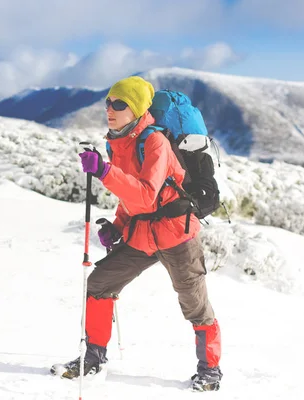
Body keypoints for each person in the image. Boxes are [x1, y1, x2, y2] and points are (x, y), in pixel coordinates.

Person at [58, 76, 222, 392]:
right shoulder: (119, 142)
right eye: (108, 101)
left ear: (135, 109)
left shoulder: (155, 143)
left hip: (177, 233)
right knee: (100, 283)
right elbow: (131, 199)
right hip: (143, 232)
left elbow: (147, 195)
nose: (110, 108)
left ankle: (210, 371)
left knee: (195, 304)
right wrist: (118, 226)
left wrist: (104, 172)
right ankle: (92, 357)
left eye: (119, 103)